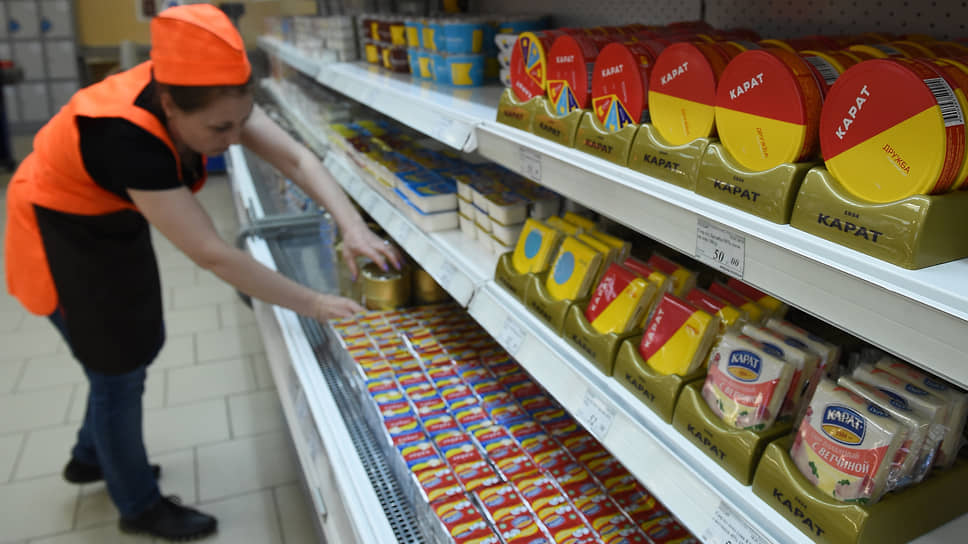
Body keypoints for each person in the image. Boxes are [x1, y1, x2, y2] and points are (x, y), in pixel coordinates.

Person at [3, 4, 399, 541]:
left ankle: (91, 455)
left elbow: (297, 160)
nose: (235, 138)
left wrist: (352, 227)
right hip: (64, 228)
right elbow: (211, 253)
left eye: (242, 121)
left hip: (114, 216)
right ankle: (138, 505)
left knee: (138, 339)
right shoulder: (126, 138)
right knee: (116, 369)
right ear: (168, 104)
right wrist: (312, 303)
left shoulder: (210, 94)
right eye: (219, 128)